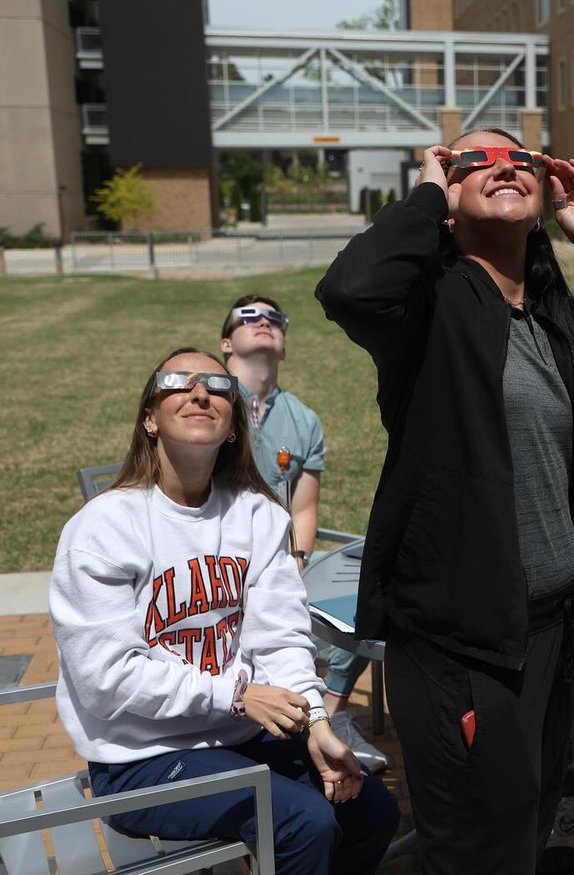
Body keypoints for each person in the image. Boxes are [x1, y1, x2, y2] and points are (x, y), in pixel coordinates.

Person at [315, 128, 574, 874]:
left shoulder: (552, 318)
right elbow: (350, 287)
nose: (501, 167)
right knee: (472, 848)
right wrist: (426, 191)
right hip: (460, 639)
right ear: (449, 200)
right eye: (473, 161)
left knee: (523, 827)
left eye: (518, 159)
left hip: (549, 629)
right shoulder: (423, 307)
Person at [50, 348, 400, 875]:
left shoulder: (256, 516)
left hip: (236, 738)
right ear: (149, 417)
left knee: (372, 809)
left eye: (217, 385)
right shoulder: (101, 529)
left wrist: (317, 724)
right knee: (305, 822)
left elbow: (280, 639)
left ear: (234, 424)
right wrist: (234, 696)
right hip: (140, 759)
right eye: (178, 382)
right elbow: (106, 678)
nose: (199, 393)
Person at [220, 295, 388, 773]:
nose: (265, 323)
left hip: (279, 562)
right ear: (226, 343)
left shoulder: (303, 419)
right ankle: (294, 725)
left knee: (369, 601)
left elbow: (304, 507)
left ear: (285, 347)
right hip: (219, 565)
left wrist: (295, 562)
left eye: (275, 318)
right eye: (249, 317)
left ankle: (327, 713)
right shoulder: (209, 403)